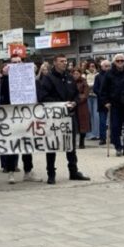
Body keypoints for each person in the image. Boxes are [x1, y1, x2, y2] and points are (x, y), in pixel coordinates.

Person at [37, 54, 90, 184]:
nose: (64, 63)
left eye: (65, 61)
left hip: (69, 116)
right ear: (54, 63)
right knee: (52, 146)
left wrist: (75, 103)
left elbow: (77, 95)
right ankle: (51, 174)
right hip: (54, 118)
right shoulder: (48, 78)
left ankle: (73, 171)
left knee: (70, 145)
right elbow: (43, 97)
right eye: (61, 61)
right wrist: (61, 104)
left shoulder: (70, 77)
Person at [0, 55, 42, 184]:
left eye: (19, 62)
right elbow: (3, 95)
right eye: (14, 63)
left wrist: (32, 73)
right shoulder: (6, 79)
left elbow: (36, 90)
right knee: (13, 145)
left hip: (27, 115)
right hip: (12, 116)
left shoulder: (28, 76)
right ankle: (11, 172)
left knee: (27, 145)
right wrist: (6, 76)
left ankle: (28, 172)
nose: (17, 65)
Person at [92, 60, 111, 145]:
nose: (107, 68)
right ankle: (102, 138)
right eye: (105, 66)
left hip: (112, 101)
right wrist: (102, 94)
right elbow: (95, 89)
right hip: (102, 101)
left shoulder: (113, 75)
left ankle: (113, 137)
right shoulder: (98, 77)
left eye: (108, 66)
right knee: (102, 121)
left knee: (113, 121)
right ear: (102, 67)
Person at [73, 69, 91, 149]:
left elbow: (85, 94)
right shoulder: (70, 82)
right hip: (72, 105)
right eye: (74, 73)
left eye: (77, 73)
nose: (75, 75)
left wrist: (77, 99)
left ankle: (81, 142)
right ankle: (73, 142)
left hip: (82, 105)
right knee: (73, 123)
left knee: (82, 124)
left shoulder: (84, 82)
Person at [85, 61, 99, 141]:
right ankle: (90, 134)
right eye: (90, 66)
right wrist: (91, 85)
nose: (92, 68)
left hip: (96, 96)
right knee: (89, 115)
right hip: (88, 97)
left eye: (93, 66)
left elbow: (95, 85)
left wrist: (90, 85)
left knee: (96, 115)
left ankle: (97, 133)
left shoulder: (97, 75)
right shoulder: (85, 75)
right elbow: (86, 85)